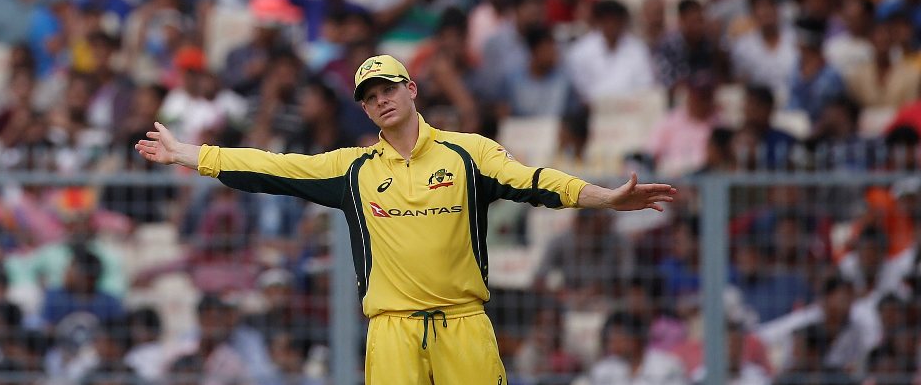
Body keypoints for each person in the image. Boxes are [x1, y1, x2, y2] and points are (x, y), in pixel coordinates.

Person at [135, 54, 677, 384]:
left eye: (389, 89)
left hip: (463, 322)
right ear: (365, 110)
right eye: (370, 98)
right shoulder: (353, 168)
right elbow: (273, 167)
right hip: (392, 329)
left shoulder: (468, 153)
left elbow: (535, 181)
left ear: (411, 90)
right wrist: (191, 154)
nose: (381, 101)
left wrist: (600, 198)